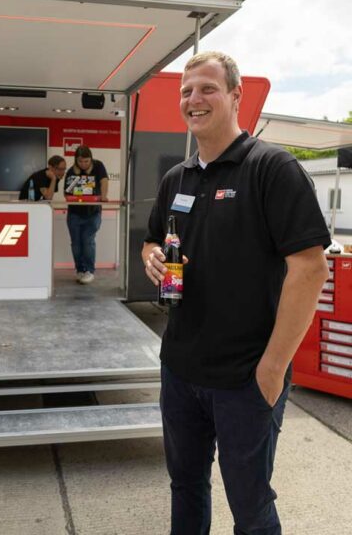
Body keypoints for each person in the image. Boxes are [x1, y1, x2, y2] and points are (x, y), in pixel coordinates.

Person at [142, 51, 330, 535]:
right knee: (185, 487)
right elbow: (154, 239)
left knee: (250, 505)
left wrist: (272, 369)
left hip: (246, 376)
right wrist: (151, 257)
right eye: (186, 91)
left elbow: (310, 269)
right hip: (181, 368)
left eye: (206, 88)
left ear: (234, 96)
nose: (194, 99)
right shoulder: (175, 178)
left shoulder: (272, 168)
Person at [64, 145, 109, 284]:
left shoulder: (98, 166)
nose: (83, 164)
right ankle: (80, 270)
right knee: (76, 243)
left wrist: (103, 195)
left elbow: (104, 181)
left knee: (87, 240)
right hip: (75, 213)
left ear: (91, 159)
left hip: (93, 212)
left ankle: (89, 270)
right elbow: (67, 193)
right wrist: (78, 176)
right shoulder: (72, 171)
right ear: (76, 160)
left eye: (86, 161)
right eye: (80, 161)